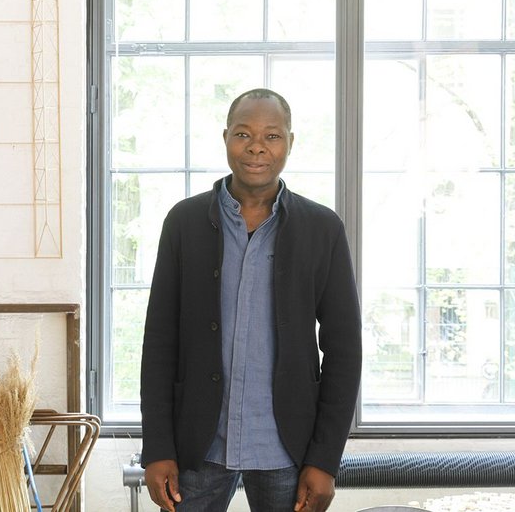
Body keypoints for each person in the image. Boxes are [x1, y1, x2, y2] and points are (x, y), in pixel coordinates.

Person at [140, 88, 362, 512]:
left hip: (288, 451)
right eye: (243, 134)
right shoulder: (183, 223)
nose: (257, 146)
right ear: (226, 138)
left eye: (272, 136)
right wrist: (157, 447)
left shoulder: (323, 229)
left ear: (290, 143)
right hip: (196, 447)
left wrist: (325, 459)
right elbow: (159, 343)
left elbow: (344, 351)